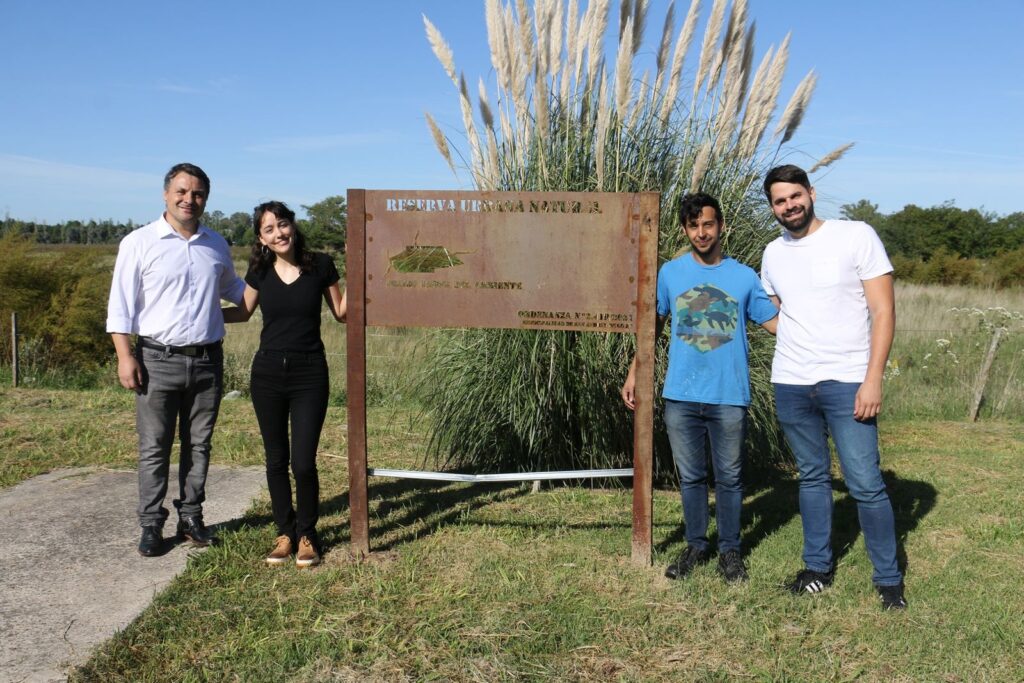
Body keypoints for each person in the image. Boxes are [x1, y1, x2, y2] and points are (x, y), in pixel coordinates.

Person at [760, 164, 906, 610]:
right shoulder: (772, 253)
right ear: (773, 208)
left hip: (848, 382)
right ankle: (817, 569)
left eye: (794, 196)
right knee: (813, 478)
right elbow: (777, 313)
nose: (789, 206)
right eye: (780, 201)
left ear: (811, 193)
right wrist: (793, 335)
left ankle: (888, 579)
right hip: (791, 382)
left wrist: (872, 378)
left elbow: (883, 312)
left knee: (864, 482)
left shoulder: (855, 235)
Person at [622, 192, 778, 583]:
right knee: (690, 477)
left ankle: (730, 551)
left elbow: (774, 323)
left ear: (721, 226)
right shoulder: (671, 274)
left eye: (708, 224)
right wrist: (634, 373)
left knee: (729, 477)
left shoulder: (743, 276)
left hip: (728, 395)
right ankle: (696, 545)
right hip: (681, 395)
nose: (701, 232)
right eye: (694, 226)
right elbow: (652, 329)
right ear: (685, 229)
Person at [107, 162, 246, 557]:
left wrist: (278, 272)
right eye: (182, 192)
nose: (190, 199)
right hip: (157, 360)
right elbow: (121, 306)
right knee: (154, 446)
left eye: (198, 193)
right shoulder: (139, 242)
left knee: (199, 445)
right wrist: (125, 356)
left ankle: (191, 517)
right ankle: (152, 524)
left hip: (207, 362)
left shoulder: (216, 244)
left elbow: (235, 290)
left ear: (206, 198)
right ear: (166, 194)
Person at [223, 201, 346, 569]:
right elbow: (243, 312)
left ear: (293, 225)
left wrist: (370, 276)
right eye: (269, 229)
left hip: (310, 373)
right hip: (267, 373)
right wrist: (194, 313)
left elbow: (341, 313)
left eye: (283, 224)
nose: (279, 233)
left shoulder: (320, 264)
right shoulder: (259, 270)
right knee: (275, 459)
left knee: (303, 462)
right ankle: (284, 533)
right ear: (261, 239)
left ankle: (308, 534)